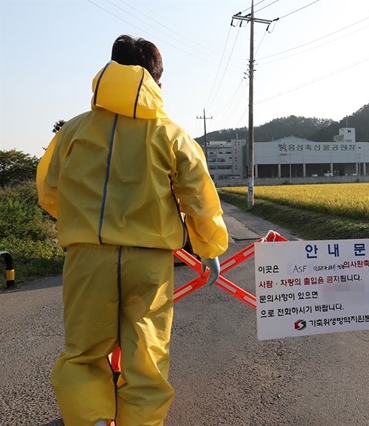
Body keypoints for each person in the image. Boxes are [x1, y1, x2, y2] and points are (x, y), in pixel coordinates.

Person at [37, 35, 228, 426]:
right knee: (147, 359)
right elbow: (198, 196)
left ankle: (91, 418)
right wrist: (209, 246)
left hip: (88, 257)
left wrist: (82, 222)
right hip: (150, 262)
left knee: (84, 352)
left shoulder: (72, 132)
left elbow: (49, 190)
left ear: (109, 71)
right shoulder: (170, 134)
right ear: (157, 82)